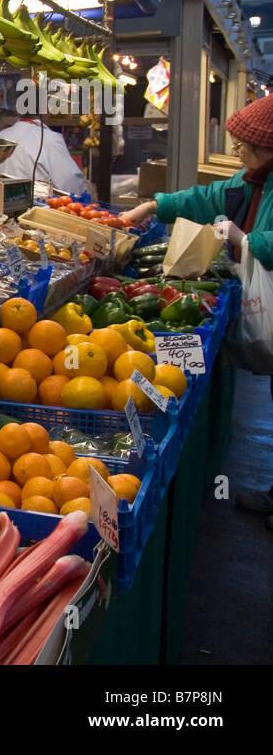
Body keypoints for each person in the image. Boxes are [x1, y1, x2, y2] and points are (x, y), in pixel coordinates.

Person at [120, 95, 273, 522]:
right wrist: (154, 206)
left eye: (243, 144)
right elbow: (210, 197)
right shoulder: (254, 179)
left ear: (268, 149)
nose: (237, 150)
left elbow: (268, 244)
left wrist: (243, 239)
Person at [0, 110, 90, 195]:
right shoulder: (50, 138)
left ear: (17, 110)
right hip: (34, 207)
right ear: (46, 111)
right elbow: (71, 184)